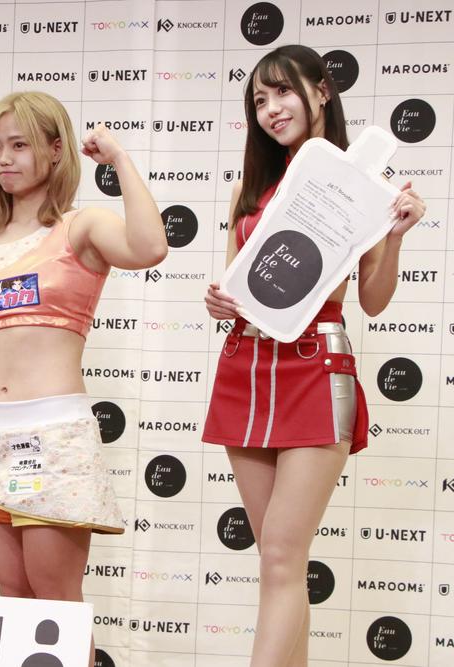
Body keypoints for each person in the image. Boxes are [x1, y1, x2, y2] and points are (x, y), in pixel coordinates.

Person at [202, 44, 425, 666]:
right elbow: (237, 285)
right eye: (259, 100)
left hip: (315, 367)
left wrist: (395, 237)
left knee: (281, 555)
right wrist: (219, 301)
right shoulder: (252, 189)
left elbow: (373, 300)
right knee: (279, 561)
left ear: (322, 91)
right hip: (245, 367)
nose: (272, 109)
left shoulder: (367, 189)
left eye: (283, 92)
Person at [0, 91, 167, 666]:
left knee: (56, 601)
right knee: (13, 597)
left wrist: (119, 160)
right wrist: (2, 395)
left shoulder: (81, 227)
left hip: (55, 438)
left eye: (19, 145)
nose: (5, 159)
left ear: (56, 149)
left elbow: (149, 247)